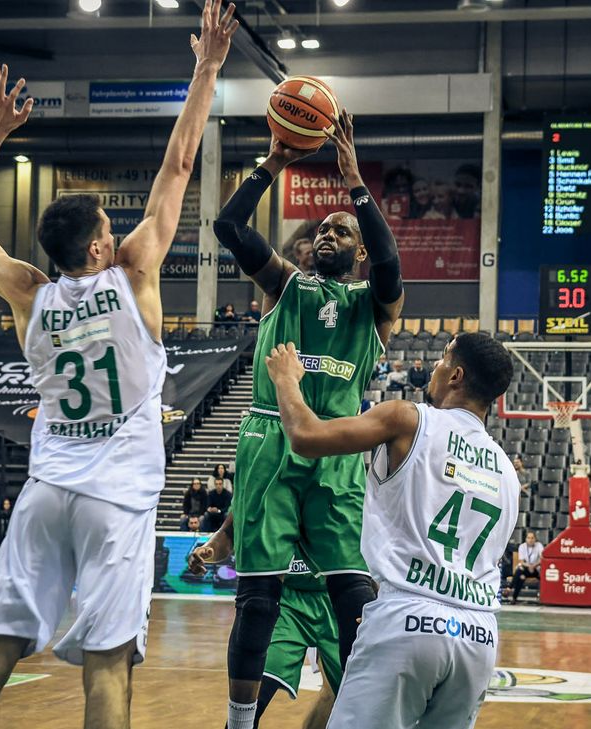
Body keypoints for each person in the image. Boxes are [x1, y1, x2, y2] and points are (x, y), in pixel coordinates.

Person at [0, 8, 239, 729]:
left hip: (46, 493)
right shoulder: (135, 275)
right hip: (116, 501)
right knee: (107, 668)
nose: (118, 231)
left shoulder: (28, 292)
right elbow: (180, 163)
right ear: (99, 250)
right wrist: (206, 68)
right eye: (109, 226)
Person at [212, 98, 405, 729]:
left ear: (355, 251)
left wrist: (354, 184)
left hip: (340, 443)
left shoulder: (374, 305)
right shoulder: (284, 285)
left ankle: (354, 716)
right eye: (321, 228)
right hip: (271, 433)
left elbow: (390, 261)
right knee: (259, 593)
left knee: (352, 588)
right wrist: (271, 163)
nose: (328, 233)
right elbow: (229, 228)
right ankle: (239, 725)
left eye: (340, 230)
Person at [264, 333, 519, 729]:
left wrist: (285, 380)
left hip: (409, 618)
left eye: (441, 360)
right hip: (478, 635)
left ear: (456, 375)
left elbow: (305, 437)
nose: (434, 367)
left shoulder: (408, 419)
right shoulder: (506, 470)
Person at [190, 519, 341, 729]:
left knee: (341, 693)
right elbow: (229, 530)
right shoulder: (263, 488)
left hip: (337, 596)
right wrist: (209, 549)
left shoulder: (346, 489)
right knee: (253, 698)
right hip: (286, 601)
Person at [512, 530, 543, 601]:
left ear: (535, 539)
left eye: (532, 538)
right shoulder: (522, 546)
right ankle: (514, 598)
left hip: (536, 569)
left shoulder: (539, 545)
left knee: (543, 573)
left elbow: (542, 559)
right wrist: (529, 566)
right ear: (526, 539)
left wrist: (534, 565)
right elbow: (521, 561)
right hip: (526, 568)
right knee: (520, 575)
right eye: (528, 538)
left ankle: (509, 587)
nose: (530, 540)